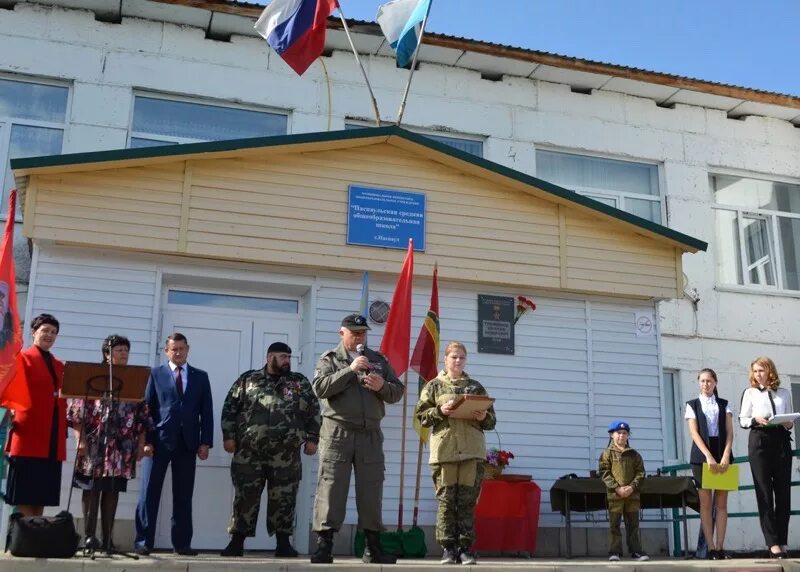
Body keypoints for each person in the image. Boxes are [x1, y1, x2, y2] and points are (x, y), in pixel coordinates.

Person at [309, 313, 404, 564]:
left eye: (363, 332)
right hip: (337, 431)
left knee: (372, 489)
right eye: (354, 333)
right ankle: (324, 545)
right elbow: (320, 388)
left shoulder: (378, 360)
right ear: (342, 333)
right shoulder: (330, 359)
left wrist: (381, 385)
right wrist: (350, 370)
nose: (360, 337)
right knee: (331, 487)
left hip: (370, 433)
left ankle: (373, 547)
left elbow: (397, 393)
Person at [220, 342, 320, 558]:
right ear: (269, 357)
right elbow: (230, 408)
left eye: (289, 357)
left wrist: (312, 439)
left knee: (284, 499)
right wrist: (228, 437)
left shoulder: (299, 383)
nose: (287, 360)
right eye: (283, 356)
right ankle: (237, 542)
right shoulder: (249, 380)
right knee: (245, 498)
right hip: (249, 453)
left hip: (285, 455)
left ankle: (283, 543)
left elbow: (314, 412)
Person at [67, 335, 153, 553]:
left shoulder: (133, 379)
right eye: (118, 350)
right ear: (107, 353)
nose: (123, 353)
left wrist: (142, 445)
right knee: (91, 488)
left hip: (121, 447)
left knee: (112, 490)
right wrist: (80, 440)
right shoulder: (91, 376)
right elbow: (77, 413)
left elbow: (143, 417)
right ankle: (89, 537)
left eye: (126, 350)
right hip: (94, 443)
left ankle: (107, 541)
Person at [413, 341, 496, 566]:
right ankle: (448, 549)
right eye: (453, 357)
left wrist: (482, 417)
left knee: (467, 501)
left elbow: (491, 421)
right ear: (445, 360)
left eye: (461, 357)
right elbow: (421, 417)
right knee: (447, 501)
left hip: (471, 451)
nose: (457, 361)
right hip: (445, 451)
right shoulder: (433, 386)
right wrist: (440, 410)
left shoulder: (476, 387)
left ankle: (465, 549)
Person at [135, 333, 213, 556]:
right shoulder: (155, 374)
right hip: (158, 442)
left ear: (187, 349)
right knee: (149, 492)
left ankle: (182, 543)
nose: (178, 352)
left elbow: (206, 411)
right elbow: (146, 409)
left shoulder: (200, 377)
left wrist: (205, 442)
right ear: (166, 351)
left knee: (183, 495)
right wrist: (147, 441)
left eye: (181, 348)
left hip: (187, 443)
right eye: (174, 349)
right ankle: (143, 542)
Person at [1, 313, 65, 517]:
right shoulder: (21, 359)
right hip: (29, 435)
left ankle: (34, 536)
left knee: (42, 493)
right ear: (34, 332)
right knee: (26, 492)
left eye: (54, 332)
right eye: (45, 330)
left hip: (52, 437)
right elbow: (6, 389)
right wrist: (11, 410)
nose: (50, 335)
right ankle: (23, 538)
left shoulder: (59, 365)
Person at [739, 356, 794, 559]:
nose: (758, 375)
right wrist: (755, 419)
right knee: (764, 493)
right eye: (755, 371)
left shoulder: (784, 393)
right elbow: (743, 420)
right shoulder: (750, 393)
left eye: (761, 370)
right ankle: (772, 544)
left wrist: (789, 423)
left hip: (780, 440)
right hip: (760, 440)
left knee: (783, 493)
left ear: (770, 371)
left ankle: (783, 540)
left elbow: (789, 418)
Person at [685, 368, 733, 560]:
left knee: (721, 504)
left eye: (710, 381)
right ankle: (711, 547)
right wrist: (708, 456)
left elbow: (730, 432)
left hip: (722, 453)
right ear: (699, 383)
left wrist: (726, 454)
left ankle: (721, 547)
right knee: (706, 504)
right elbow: (694, 433)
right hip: (701, 456)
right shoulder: (692, 405)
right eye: (703, 381)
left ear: (715, 383)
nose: (706, 384)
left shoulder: (724, 404)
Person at [598, 419, 649, 562]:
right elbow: (604, 472)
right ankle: (615, 552)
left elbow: (641, 473)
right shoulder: (607, 454)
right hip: (615, 496)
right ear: (611, 435)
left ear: (628, 435)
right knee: (614, 524)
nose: (621, 436)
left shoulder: (634, 455)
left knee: (633, 524)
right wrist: (617, 488)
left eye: (624, 433)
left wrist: (632, 487)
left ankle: (636, 551)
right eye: (618, 433)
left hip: (632, 496)